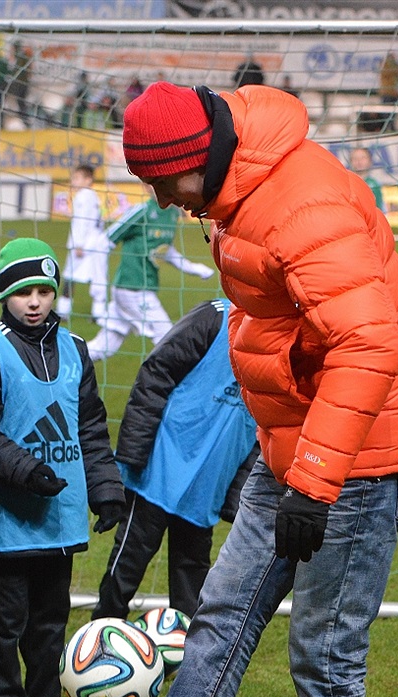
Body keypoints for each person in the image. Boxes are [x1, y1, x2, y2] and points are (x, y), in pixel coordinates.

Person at [62, 80, 398, 697]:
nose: (161, 201)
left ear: (197, 157)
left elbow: (369, 340)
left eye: (164, 182)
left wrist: (313, 480)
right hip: (299, 447)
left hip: (365, 457)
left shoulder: (300, 203)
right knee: (220, 618)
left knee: (326, 656)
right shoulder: (235, 188)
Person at [0, 238, 126, 697]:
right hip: (9, 519)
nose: (34, 302)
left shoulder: (76, 348)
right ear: (3, 295)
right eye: (22, 292)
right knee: (4, 625)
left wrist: (106, 490)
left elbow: (91, 427)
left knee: (49, 624)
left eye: (43, 291)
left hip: (60, 517)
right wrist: (27, 472)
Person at [93, 296, 259, 622]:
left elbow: (267, 428)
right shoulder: (214, 317)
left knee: (191, 581)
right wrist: (134, 453)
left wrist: (235, 494)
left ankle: (186, 649)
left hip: (208, 484)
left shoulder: (286, 342)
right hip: (158, 470)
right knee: (127, 566)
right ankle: (101, 635)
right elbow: (156, 373)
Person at [87, 185, 214, 362]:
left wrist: (192, 268)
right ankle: (164, 380)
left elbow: (164, 249)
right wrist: (99, 294)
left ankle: (63, 360)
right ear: (145, 186)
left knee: (103, 347)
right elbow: (102, 243)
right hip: (133, 289)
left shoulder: (172, 214)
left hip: (144, 287)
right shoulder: (142, 212)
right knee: (169, 340)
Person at [55, 165, 110, 325]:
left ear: (88, 180)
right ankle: (99, 313)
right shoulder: (93, 196)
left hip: (84, 244)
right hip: (96, 243)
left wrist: (78, 244)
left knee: (70, 276)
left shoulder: (83, 196)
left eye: (77, 178)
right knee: (98, 278)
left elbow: (82, 222)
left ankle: (63, 311)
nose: (74, 181)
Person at [349, 146, 385, 213]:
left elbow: (380, 209)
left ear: (370, 161)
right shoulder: (347, 183)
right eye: (355, 158)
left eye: (363, 158)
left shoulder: (374, 184)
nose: (359, 161)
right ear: (350, 162)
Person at [378, 52, 398, 132]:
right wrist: (396, 70)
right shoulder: (385, 65)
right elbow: (385, 73)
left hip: (395, 92)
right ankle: (384, 128)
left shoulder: (396, 66)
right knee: (386, 111)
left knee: (393, 112)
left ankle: (392, 127)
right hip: (387, 92)